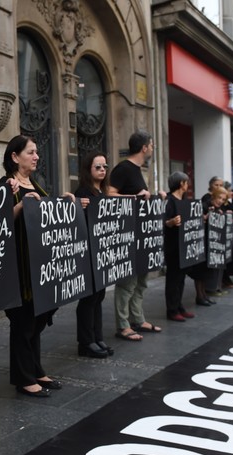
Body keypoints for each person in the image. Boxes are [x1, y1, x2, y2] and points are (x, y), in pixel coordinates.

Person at [0, 134, 64, 397]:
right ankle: (24, 378)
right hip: (19, 269)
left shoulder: (34, 182)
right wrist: (22, 206)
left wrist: (64, 202)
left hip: (38, 268)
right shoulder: (7, 185)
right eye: (31, 152)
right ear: (15, 157)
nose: (36, 157)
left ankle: (36, 369)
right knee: (23, 324)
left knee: (36, 322)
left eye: (37, 152)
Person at [108, 131, 161, 341]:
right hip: (128, 237)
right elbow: (110, 195)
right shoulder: (123, 168)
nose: (153, 149)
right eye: (152, 145)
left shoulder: (139, 170)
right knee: (127, 283)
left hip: (142, 237)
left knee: (141, 281)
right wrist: (135, 196)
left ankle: (137, 319)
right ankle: (123, 325)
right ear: (144, 148)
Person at [74, 151, 113, 358]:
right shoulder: (83, 192)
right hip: (88, 253)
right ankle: (86, 342)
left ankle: (97, 337)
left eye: (105, 167)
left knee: (99, 296)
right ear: (88, 169)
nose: (102, 170)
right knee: (89, 299)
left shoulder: (101, 193)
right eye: (98, 167)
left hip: (101, 253)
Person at [163, 171, 195, 322]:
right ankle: (172, 309)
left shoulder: (184, 200)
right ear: (181, 184)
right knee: (173, 279)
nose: (188, 185)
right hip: (173, 246)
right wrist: (171, 222)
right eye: (186, 182)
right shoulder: (169, 201)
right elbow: (162, 222)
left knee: (181, 278)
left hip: (183, 246)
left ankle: (179, 305)